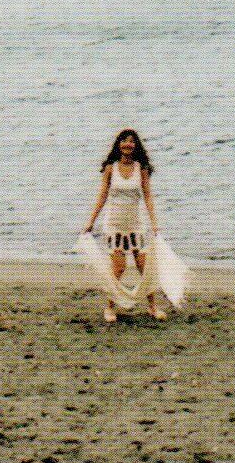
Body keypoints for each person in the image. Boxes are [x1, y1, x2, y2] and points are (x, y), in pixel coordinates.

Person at [79, 128, 188, 324]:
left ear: (136, 145)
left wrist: (154, 224)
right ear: (118, 144)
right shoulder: (110, 168)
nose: (127, 144)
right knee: (118, 269)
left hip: (136, 223)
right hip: (114, 224)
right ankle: (110, 307)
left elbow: (147, 196)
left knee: (144, 267)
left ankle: (152, 307)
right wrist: (90, 222)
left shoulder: (141, 168)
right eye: (124, 141)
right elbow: (102, 196)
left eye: (131, 141)